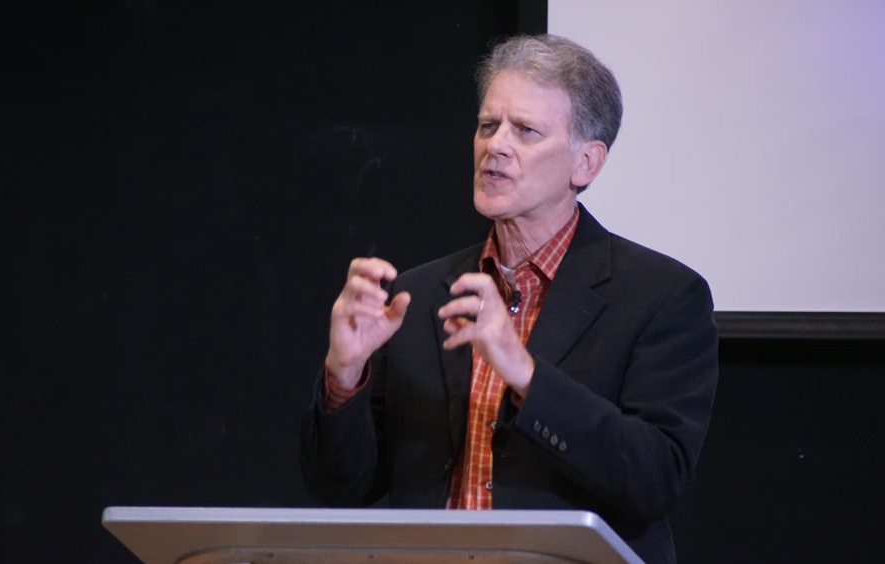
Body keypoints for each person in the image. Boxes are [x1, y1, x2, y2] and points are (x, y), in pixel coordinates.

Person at [300, 34, 719, 564]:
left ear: (586, 163)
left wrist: (524, 372)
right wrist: (344, 375)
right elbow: (340, 487)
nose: (495, 145)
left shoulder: (661, 296)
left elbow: (656, 479)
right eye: (487, 125)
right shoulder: (417, 296)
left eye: (525, 130)